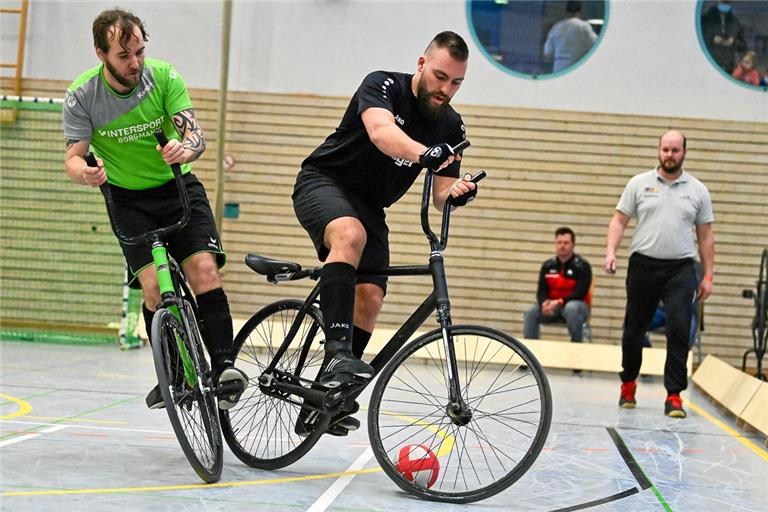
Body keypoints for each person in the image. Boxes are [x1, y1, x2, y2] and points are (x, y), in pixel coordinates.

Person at [292, 31, 477, 435]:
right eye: (441, 77)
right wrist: (425, 154)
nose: (446, 89)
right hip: (325, 181)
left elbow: (441, 194)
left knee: (372, 296)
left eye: (457, 83)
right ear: (422, 64)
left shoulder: (451, 124)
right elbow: (381, 133)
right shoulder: (383, 84)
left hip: (372, 207)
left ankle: (327, 396)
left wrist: (458, 193)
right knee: (350, 236)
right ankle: (338, 352)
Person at [62, 9, 246, 410]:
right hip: (127, 200)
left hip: (178, 188)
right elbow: (73, 158)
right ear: (101, 54)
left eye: (140, 52)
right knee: (152, 287)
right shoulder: (82, 96)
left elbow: (193, 134)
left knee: (204, 271)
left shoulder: (164, 77)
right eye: (124, 56)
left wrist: (186, 148)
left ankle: (225, 368)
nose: (135, 63)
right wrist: (86, 173)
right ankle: (174, 377)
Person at [604, 130, 715, 419]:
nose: (669, 155)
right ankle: (628, 384)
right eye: (665, 149)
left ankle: (674, 395)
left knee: (679, 329)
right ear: (658, 150)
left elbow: (705, 236)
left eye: (675, 150)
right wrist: (611, 251)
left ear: (684, 153)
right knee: (634, 329)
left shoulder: (697, 190)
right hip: (643, 266)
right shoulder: (639, 184)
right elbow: (619, 220)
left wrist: (709, 275)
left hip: (681, 268)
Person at [523, 227, 592, 343]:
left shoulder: (583, 266)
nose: (562, 246)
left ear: (573, 245)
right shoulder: (548, 266)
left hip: (576, 307)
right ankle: (530, 354)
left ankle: (577, 348)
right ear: (555, 244)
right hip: (552, 308)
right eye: (559, 242)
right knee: (531, 312)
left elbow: (580, 293)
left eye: (566, 243)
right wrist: (544, 303)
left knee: (571, 308)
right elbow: (541, 291)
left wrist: (559, 302)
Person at [543, 1, 597, 73]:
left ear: (566, 11)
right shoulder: (584, 26)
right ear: (580, 11)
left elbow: (548, 52)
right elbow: (594, 45)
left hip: (559, 66)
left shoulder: (557, 27)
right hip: (578, 65)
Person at [701, 1, 746, 74]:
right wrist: (712, 39)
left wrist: (733, 42)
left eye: (728, 2)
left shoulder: (736, 22)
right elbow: (697, 40)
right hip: (708, 65)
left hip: (728, 68)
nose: (725, 4)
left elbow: (743, 46)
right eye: (723, 2)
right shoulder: (705, 19)